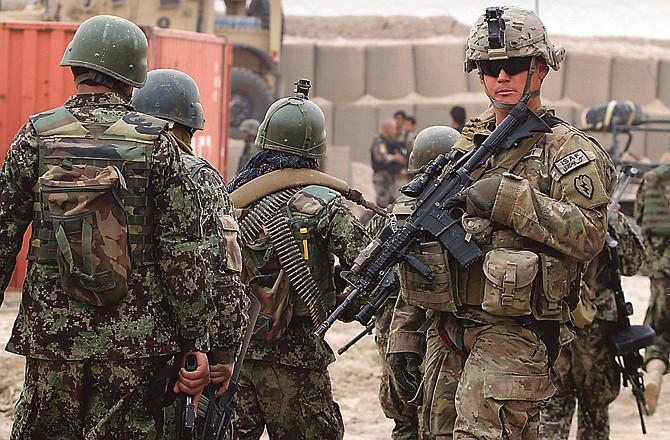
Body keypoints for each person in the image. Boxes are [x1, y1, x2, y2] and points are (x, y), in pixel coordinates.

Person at [390, 6, 615, 439]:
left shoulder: (568, 152)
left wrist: (513, 200)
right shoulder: (463, 148)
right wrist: (405, 333)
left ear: (542, 68)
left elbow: (590, 234)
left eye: (513, 65)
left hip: (517, 332)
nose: (501, 78)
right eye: (490, 68)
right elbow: (420, 243)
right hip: (449, 330)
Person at [0, 16, 216, 438]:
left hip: (51, 338)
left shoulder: (35, 136)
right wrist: (197, 342)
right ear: (133, 79)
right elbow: (182, 256)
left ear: (76, 67)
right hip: (135, 342)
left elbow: (3, 237)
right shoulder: (158, 144)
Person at [226, 82, 373, 439]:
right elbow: (371, 263)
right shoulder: (323, 206)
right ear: (316, 150)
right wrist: (344, 297)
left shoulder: (233, 201)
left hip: (234, 361)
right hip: (297, 364)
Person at [131, 68, 250, 430]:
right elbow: (223, 270)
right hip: (172, 353)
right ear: (188, 125)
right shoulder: (198, 175)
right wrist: (226, 352)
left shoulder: (117, 160)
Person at [369, 126, 460, 440]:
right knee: (421, 418)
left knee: (415, 419)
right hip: (417, 328)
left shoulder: (401, 211)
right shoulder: (402, 214)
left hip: (414, 329)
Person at [539, 210, 644, 439]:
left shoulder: (547, 207)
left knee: (554, 405)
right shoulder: (603, 214)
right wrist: (614, 220)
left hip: (553, 317)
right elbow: (633, 263)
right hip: (594, 324)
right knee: (594, 406)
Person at [633, 159, 670, 414]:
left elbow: (639, 216)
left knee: (660, 329)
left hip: (661, 265)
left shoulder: (652, 178)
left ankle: (655, 374)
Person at [370, 118, 409, 211]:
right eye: (394, 128)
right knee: (381, 204)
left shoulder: (390, 141)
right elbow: (380, 157)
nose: (395, 131)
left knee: (390, 203)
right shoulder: (379, 141)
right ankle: (365, 221)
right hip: (381, 177)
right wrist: (395, 157)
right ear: (388, 129)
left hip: (389, 176)